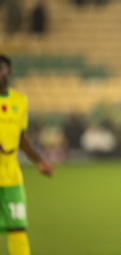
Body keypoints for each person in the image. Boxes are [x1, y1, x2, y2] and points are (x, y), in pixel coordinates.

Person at [0, 55, 54, 255]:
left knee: (18, 227)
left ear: (9, 72)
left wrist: (39, 161)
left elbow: (21, 138)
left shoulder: (19, 101)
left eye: (1, 68)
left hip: (12, 178)